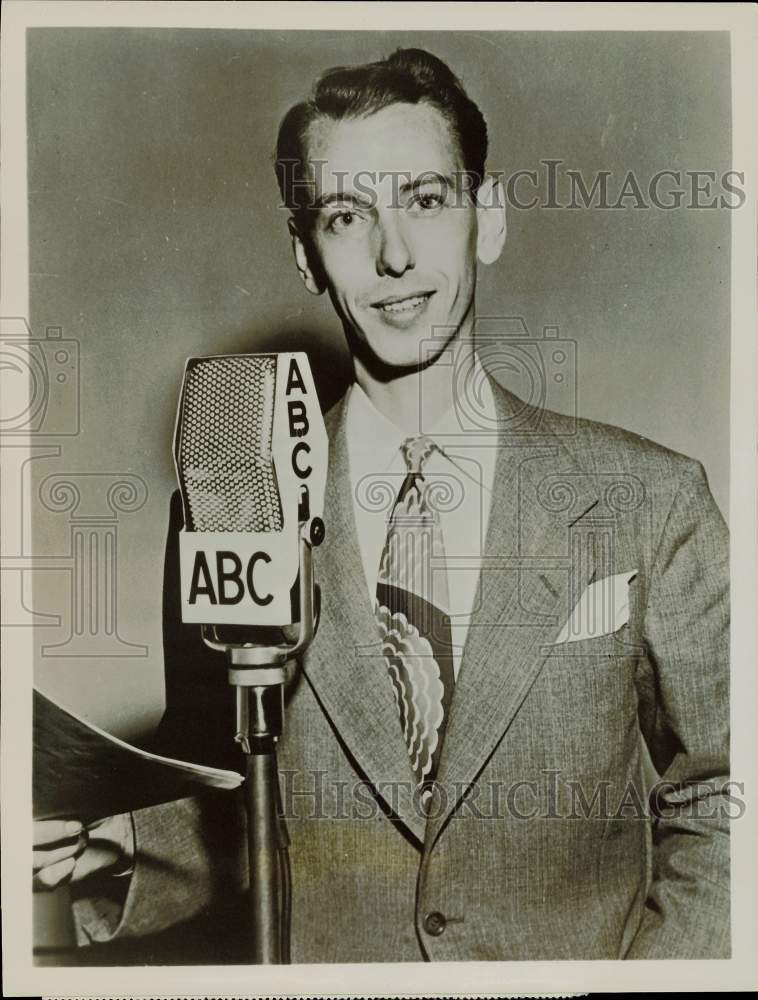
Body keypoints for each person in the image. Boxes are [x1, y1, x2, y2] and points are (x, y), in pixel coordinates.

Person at [34, 47, 730, 962]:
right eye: (348, 214)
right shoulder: (229, 504)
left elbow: (724, 796)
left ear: (488, 219)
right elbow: (243, 809)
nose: (394, 254)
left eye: (426, 200)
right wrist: (114, 847)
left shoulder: (652, 499)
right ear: (306, 256)